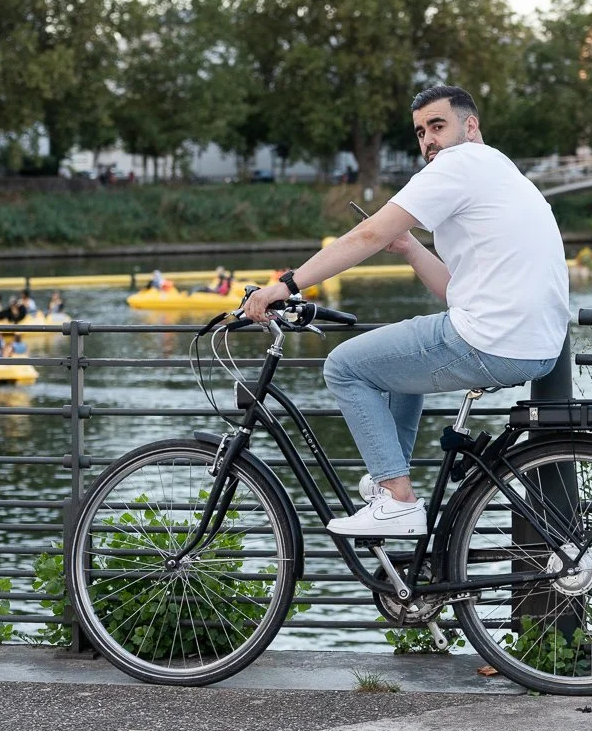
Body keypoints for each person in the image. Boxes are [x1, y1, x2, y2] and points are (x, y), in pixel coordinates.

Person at [244, 84, 569, 537]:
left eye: (438, 126)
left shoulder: (459, 164)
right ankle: (390, 480)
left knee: (343, 367)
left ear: (469, 126)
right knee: (395, 357)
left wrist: (288, 284)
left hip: (492, 339)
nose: (428, 141)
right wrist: (412, 247)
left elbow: (367, 235)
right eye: (420, 133)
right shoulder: (500, 168)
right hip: (534, 346)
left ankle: (397, 498)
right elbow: (455, 291)